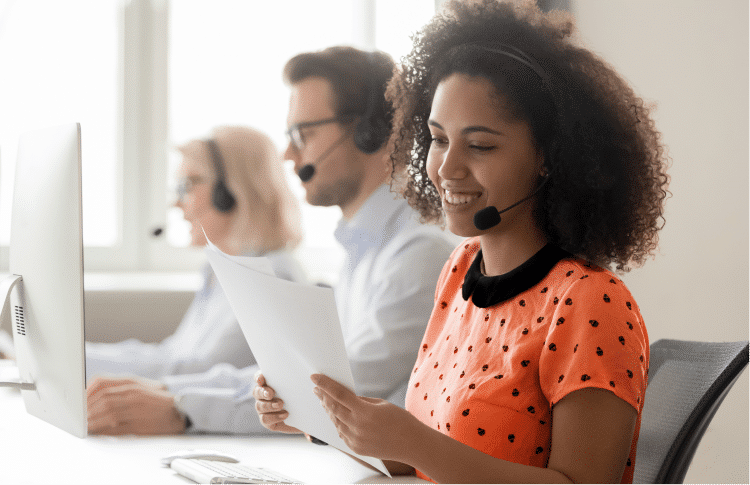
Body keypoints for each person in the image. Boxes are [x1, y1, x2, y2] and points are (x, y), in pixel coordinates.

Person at [255, 0, 670, 482]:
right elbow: (432, 458)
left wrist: (413, 441)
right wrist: (324, 417)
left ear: (549, 157)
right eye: (437, 139)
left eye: (480, 145)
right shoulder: (459, 271)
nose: (447, 169)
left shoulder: (589, 303)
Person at [153, 46, 456, 435]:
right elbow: (300, 376)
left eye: (304, 134)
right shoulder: (362, 253)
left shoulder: (418, 254)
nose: (288, 153)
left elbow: (337, 392)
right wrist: (169, 393)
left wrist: (183, 408)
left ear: (369, 133)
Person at [85, 125, 305, 435]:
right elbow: (172, 356)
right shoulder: (220, 271)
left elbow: (194, 371)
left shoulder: (272, 277)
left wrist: (74, 362)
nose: (177, 204)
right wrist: (74, 355)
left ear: (230, 192)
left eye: (189, 185)